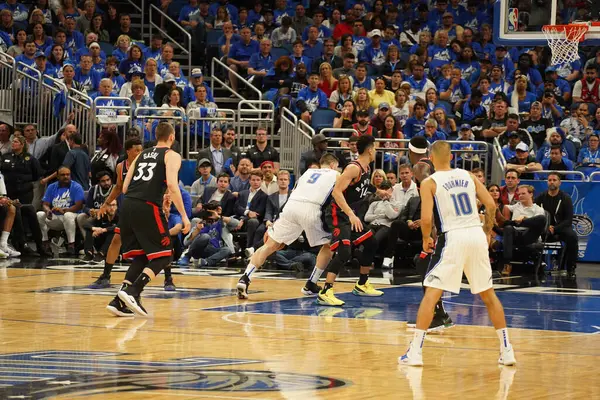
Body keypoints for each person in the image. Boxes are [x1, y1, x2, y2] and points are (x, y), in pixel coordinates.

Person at [398, 140, 516, 367]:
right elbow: (491, 205)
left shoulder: (429, 182)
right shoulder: (469, 176)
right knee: (488, 295)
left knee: (431, 293)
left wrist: (425, 239)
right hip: (475, 235)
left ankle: (415, 353)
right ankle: (507, 350)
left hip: (453, 237)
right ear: (451, 157)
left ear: (430, 159)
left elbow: (425, 218)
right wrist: (487, 231)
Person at [107, 123, 191, 317]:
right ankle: (134, 291)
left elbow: (126, 187)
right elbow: (171, 184)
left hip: (128, 205)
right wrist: (185, 217)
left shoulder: (141, 155)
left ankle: (119, 301)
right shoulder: (172, 155)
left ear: (155, 135)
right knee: (164, 254)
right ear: (172, 137)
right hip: (147, 205)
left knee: (144, 253)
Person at [236, 154, 341, 299]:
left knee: (270, 245)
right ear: (333, 165)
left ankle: (245, 278)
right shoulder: (336, 174)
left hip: (291, 207)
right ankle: (311, 283)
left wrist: (277, 220)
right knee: (328, 246)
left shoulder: (307, 173)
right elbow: (339, 195)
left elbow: (294, 192)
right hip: (312, 209)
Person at [318, 135, 383, 306]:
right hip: (337, 213)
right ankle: (326, 290)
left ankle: (362, 284)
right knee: (344, 251)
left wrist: (379, 192)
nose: (375, 151)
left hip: (350, 214)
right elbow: (336, 192)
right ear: (370, 150)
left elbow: (361, 188)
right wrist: (351, 214)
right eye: (375, 148)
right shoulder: (353, 168)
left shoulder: (366, 168)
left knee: (371, 243)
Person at [89, 138, 143, 289]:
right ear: (128, 151)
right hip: (130, 208)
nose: (140, 153)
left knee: (157, 243)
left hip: (146, 208)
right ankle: (106, 275)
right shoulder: (121, 167)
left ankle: (168, 278)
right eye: (136, 150)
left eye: (141, 150)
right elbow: (118, 187)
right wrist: (106, 203)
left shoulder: (146, 165)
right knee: (116, 240)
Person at [535, 173, 578, 278]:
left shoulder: (565, 198)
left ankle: (570, 268)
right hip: (544, 228)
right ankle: (536, 265)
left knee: (572, 237)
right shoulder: (541, 197)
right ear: (547, 182)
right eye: (549, 180)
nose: (552, 182)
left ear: (560, 182)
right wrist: (546, 227)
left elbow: (568, 220)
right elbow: (534, 213)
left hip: (561, 228)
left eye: (554, 180)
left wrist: (555, 228)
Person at [36, 166, 84, 256]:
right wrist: (48, 211)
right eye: (63, 175)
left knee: (68, 215)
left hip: (73, 217)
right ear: (57, 176)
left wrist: (64, 210)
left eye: (68, 174)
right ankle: (45, 243)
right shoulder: (51, 187)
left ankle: (71, 246)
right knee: (39, 214)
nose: (66, 176)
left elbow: (79, 206)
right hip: (56, 217)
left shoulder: (76, 187)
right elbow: (45, 204)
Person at [500, 185, 546, 276]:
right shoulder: (516, 206)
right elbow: (505, 207)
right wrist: (505, 213)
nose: (520, 196)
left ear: (531, 194)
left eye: (523, 193)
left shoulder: (538, 209)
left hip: (529, 235)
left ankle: (519, 222)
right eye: (519, 194)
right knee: (508, 227)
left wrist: (524, 220)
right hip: (516, 235)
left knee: (541, 218)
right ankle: (507, 264)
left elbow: (540, 223)